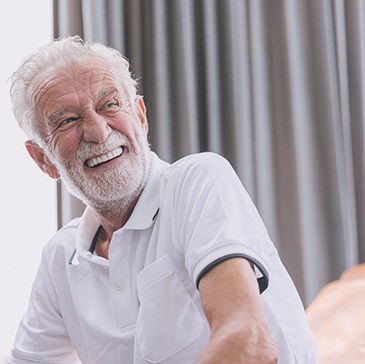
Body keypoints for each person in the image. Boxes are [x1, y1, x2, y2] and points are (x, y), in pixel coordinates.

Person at [9, 36, 316, 364]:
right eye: (68, 121)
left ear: (140, 116)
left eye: (110, 105)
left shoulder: (198, 181)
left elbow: (247, 343)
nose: (98, 132)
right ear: (44, 160)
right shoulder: (61, 258)